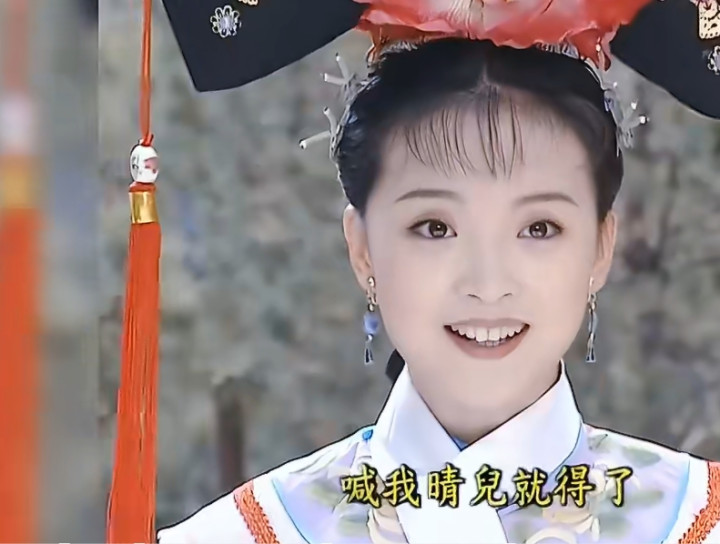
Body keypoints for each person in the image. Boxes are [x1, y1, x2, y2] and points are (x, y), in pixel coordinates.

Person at [152, 1, 720, 543]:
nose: (488, 284)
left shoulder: (698, 522)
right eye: (435, 228)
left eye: (539, 228)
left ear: (600, 247)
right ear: (362, 248)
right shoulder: (239, 535)